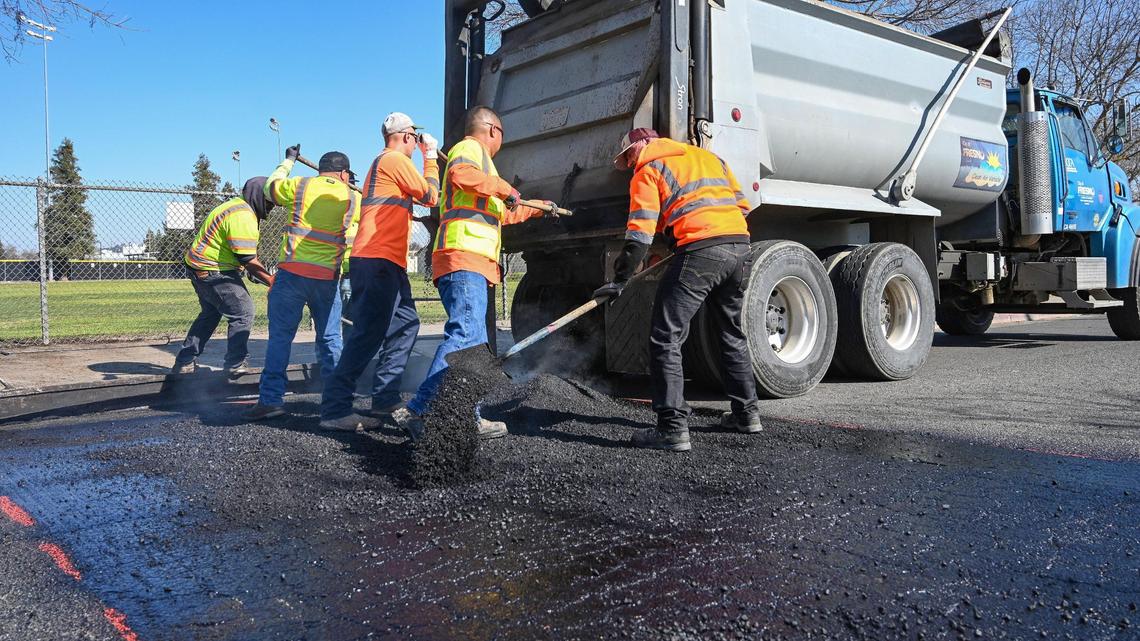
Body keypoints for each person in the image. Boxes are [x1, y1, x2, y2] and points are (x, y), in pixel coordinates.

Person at [393, 105, 557, 439]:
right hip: (463, 257)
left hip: (472, 262)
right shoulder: (470, 149)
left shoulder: (486, 173)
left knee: (475, 347)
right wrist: (506, 188)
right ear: (493, 131)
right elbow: (460, 175)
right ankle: (422, 409)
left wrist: (535, 209)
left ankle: (468, 416)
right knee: (464, 337)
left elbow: (501, 214)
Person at [593, 127, 761, 452]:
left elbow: (639, 235)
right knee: (730, 333)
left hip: (701, 249)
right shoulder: (709, 158)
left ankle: (671, 428)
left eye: (628, 154)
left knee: (665, 336)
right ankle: (747, 414)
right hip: (739, 247)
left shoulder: (648, 169)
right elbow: (741, 206)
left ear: (642, 144)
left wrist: (620, 279)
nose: (629, 162)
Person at [319, 113, 441, 433]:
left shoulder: (387, 164)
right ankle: (335, 408)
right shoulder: (394, 160)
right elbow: (431, 196)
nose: (416, 143)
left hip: (388, 261)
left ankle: (385, 397)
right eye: (415, 138)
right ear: (404, 137)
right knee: (368, 334)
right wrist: (431, 158)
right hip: (376, 260)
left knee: (404, 325)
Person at [243, 146, 361, 422]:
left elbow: (270, 188)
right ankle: (335, 407)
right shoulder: (353, 198)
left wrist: (288, 161)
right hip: (327, 279)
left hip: (292, 275)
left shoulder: (300, 186)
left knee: (281, 339)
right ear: (344, 173)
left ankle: (270, 401)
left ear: (320, 170)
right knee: (331, 340)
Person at [172, 177, 275, 377]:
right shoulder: (243, 215)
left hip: (200, 268)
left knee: (210, 313)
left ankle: (185, 361)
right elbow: (247, 258)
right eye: (269, 201)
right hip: (212, 270)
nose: (272, 206)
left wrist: (257, 275)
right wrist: (271, 280)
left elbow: (243, 255)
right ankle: (235, 363)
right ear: (258, 197)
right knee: (243, 311)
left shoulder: (236, 207)